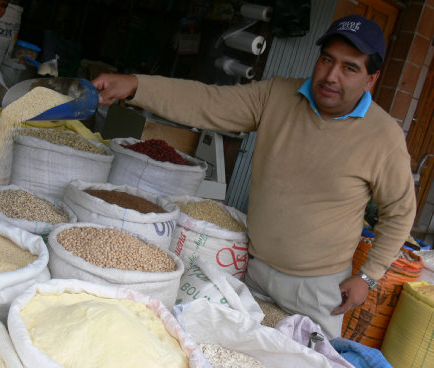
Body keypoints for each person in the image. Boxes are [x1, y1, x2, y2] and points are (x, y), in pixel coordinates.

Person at [92, 14, 416, 339]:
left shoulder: (383, 137)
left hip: (318, 291)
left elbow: (400, 212)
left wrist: (368, 277)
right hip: (252, 270)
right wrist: (136, 86)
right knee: (228, 351)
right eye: (327, 60)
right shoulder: (277, 96)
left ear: (371, 79)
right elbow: (209, 102)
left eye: (349, 68)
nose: (331, 76)